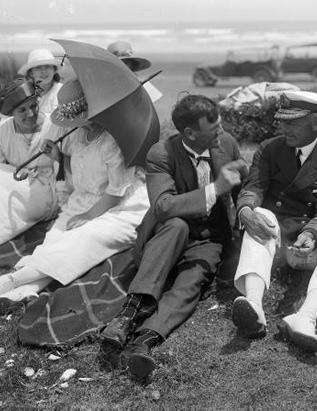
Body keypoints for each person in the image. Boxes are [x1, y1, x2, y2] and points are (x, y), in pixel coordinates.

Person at [98, 95, 247, 383]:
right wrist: (216, 188)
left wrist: (244, 212)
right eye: (213, 127)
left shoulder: (225, 142)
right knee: (177, 224)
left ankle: (146, 340)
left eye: (220, 123)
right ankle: (126, 317)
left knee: (193, 279)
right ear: (189, 133)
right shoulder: (161, 153)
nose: (221, 131)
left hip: (209, 237)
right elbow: (164, 207)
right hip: (166, 232)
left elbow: (242, 172)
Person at [0, 78, 149, 303]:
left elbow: (115, 191)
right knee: (55, 240)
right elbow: (79, 174)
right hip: (84, 199)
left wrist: (88, 216)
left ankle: (12, 280)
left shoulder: (113, 142)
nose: (70, 123)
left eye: (76, 119)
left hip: (121, 207)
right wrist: (58, 157)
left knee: (86, 237)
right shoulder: (76, 135)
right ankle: (24, 291)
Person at [232, 90, 317, 352]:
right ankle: (253, 304)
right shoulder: (269, 149)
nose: (285, 128)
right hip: (273, 240)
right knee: (261, 214)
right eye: (283, 121)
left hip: (309, 247)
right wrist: (245, 212)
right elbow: (254, 187)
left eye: (293, 122)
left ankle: (306, 317)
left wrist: (311, 236)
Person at [0, 78, 62, 251]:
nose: (30, 114)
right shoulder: (2, 130)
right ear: (11, 112)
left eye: (33, 106)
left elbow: (69, 166)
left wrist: (57, 156)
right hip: (15, 183)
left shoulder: (54, 126)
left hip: (48, 189)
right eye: (22, 110)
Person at [18, 48, 63, 115]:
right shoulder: (23, 93)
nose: (43, 71)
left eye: (47, 66)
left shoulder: (62, 92)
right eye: (38, 67)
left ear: (54, 70)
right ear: (31, 73)